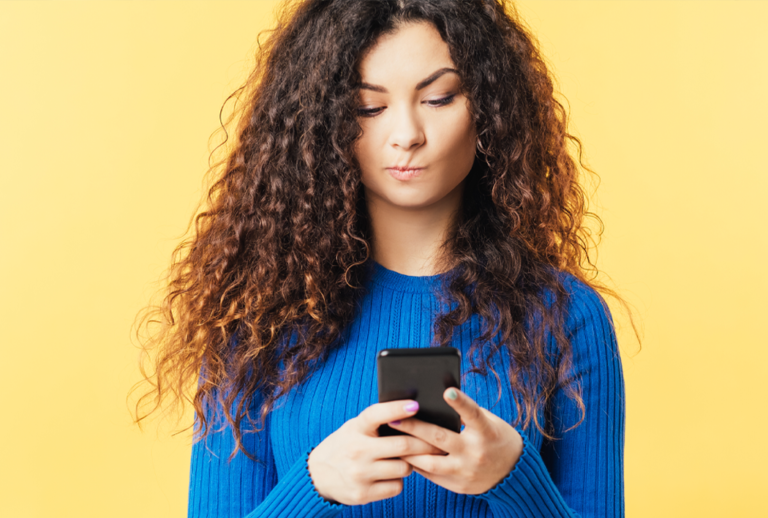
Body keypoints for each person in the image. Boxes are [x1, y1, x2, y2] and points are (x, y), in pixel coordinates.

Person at [132, 0, 628, 516]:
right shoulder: (256, 322)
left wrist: (513, 475)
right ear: (321, 125)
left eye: (439, 98)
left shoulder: (568, 315)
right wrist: (313, 486)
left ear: (490, 109)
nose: (407, 134)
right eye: (369, 108)